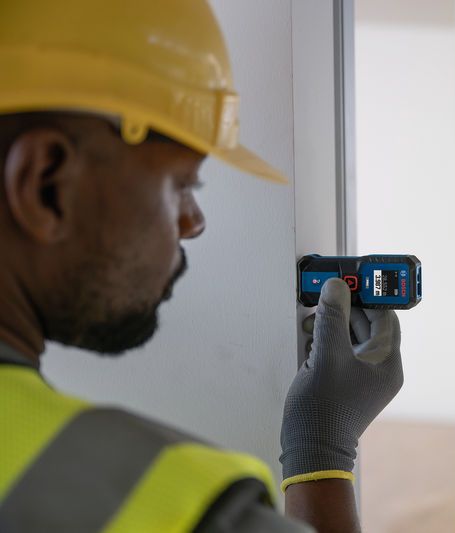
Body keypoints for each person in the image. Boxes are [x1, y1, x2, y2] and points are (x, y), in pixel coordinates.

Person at [0, 1, 403, 532]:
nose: (194, 223)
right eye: (183, 185)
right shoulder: (180, 507)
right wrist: (322, 454)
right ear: (45, 185)